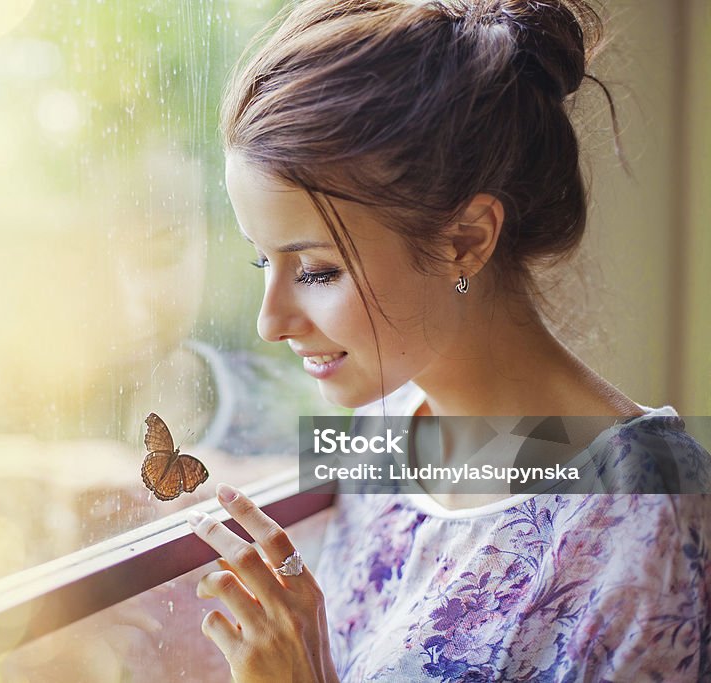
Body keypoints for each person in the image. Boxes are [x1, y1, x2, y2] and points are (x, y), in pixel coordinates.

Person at [185, 0, 711, 681]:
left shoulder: (652, 510)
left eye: (316, 269)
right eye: (263, 261)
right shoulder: (391, 430)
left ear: (465, 240)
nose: (269, 322)